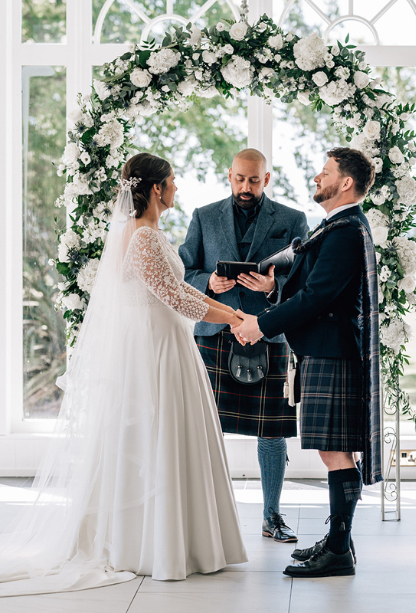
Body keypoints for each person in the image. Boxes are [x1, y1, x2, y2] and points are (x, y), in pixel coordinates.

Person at [0, 153, 247, 597]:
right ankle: (149, 546)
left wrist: (230, 311)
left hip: (167, 342)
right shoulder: (142, 239)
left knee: (167, 438)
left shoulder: (148, 234)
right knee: (154, 438)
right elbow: (176, 298)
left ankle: (176, 539)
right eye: (173, 181)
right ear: (155, 188)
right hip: (154, 349)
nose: (177, 189)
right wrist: (233, 321)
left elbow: (186, 290)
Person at [233, 147, 383, 578]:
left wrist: (261, 324)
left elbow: (318, 297)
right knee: (332, 451)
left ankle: (338, 551)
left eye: (325, 172)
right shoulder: (340, 226)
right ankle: (340, 542)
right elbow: (312, 287)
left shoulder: (344, 230)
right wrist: (271, 290)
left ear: (346, 183)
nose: (317, 178)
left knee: (335, 452)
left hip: (332, 352)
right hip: (327, 349)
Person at [179, 149, 309, 544]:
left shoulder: (292, 220)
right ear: (229, 175)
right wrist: (207, 283)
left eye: (254, 180)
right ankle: (205, 517)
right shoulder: (203, 216)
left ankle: (272, 515)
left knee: (272, 433)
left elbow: (304, 282)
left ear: (266, 179)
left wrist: (274, 287)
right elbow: (183, 271)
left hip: (268, 334)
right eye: (239, 179)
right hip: (215, 336)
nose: (246, 187)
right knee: (205, 430)